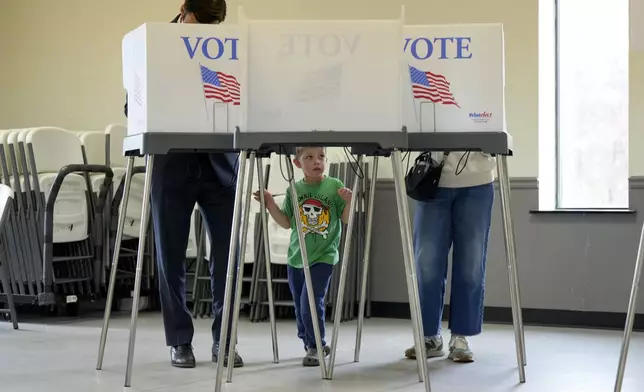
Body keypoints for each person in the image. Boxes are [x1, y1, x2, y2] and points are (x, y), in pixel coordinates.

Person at [123, 0, 243, 369]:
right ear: (182, 9)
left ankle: (224, 340)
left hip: (220, 164)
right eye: (199, 21)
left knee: (228, 258)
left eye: (212, 24)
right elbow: (133, 108)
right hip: (172, 164)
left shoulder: (229, 49)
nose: (202, 30)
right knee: (170, 257)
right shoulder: (151, 46)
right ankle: (179, 341)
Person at [254, 147, 352, 366]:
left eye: (321, 157)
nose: (317, 161)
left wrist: (347, 202)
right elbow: (287, 222)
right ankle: (311, 343)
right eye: (309, 157)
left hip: (323, 257)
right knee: (300, 306)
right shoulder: (293, 190)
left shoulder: (334, 186)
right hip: (296, 258)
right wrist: (269, 203)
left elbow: (345, 220)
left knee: (310, 302)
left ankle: (317, 345)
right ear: (297, 163)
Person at [404, 151, 496, 363]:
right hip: (433, 177)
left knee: (471, 264)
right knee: (426, 263)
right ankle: (429, 337)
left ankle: (460, 338)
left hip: (478, 180)